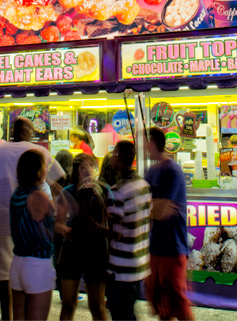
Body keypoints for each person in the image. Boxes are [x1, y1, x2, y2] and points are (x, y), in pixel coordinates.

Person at [0, 118, 65, 321]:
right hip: (32, 228)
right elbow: (59, 177)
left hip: (1, 223)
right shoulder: (37, 152)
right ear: (28, 131)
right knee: (32, 285)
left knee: (8, 281)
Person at [9, 149, 65, 321]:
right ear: (38, 170)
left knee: (18, 316)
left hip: (18, 261)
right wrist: (58, 190)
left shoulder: (17, 194)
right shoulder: (38, 197)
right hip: (37, 263)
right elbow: (61, 217)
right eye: (44, 166)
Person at [144, 128, 193, 321]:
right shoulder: (152, 170)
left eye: (147, 141)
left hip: (172, 245)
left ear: (154, 143)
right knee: (161, 304)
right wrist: (152, 207)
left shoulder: (171, 170)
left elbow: (160, 212)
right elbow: (147, 206)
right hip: (155, 244)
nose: (144, 145)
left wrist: (152, 207)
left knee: (177, 302)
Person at [57, 154, 109, 321]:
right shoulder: (68, 192)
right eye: (83, 167)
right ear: (76, 171)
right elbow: (57, 223)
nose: (87, 171)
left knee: (97, 305)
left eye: (91, 166)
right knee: (68, 304)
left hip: (96, 249)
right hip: (72, 249)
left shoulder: (104, 190)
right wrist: (66, 229)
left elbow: (113, 220)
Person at [107, 140, 151, 321]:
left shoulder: (118, 191)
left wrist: (95, 226)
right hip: (139, 262)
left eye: (113, 154)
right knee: (128, 311)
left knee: (121, 314)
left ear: (118, 159)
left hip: (121, 267)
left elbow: (115, 232)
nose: (111, 157)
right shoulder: (143, 185)